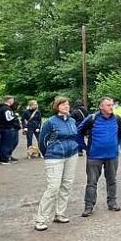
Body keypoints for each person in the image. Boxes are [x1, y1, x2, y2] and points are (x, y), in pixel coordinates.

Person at [33, 97, 81, 231]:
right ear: (56, 106)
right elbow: (42, 141)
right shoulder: (50, 122)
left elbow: (75, 136)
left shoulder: (72, 120)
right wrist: (48, 153)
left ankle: (60, 213)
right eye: (63, 104)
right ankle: (41, 219)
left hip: (71, 155)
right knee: (53, 187)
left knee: (67, 184)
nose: (66, 106)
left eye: (67, 104)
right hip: (55, 157)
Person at [78, 97, 121, 217]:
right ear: (101, 107)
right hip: (94, 156)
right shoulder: (92, 119)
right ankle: (89, 206)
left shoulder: (117, 119)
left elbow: (120, 134)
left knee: (112, 180)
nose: (111, 107)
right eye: (108, 105)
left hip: (112, 156)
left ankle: (112, 202)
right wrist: (84, 147)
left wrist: (116, 145)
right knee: (92, 182)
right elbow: (79, 132)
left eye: (112, 105)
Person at [0, 96, 21, 164]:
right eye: (13, 100)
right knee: (6, 144)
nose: (13, 101)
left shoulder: (3, 108)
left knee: (11, 143)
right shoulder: (5, 109)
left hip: (7, 128)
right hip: (7, 128)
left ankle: (8, 156)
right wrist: (15, 116)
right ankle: (4, 158)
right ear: (9, 100)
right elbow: (8, 119)